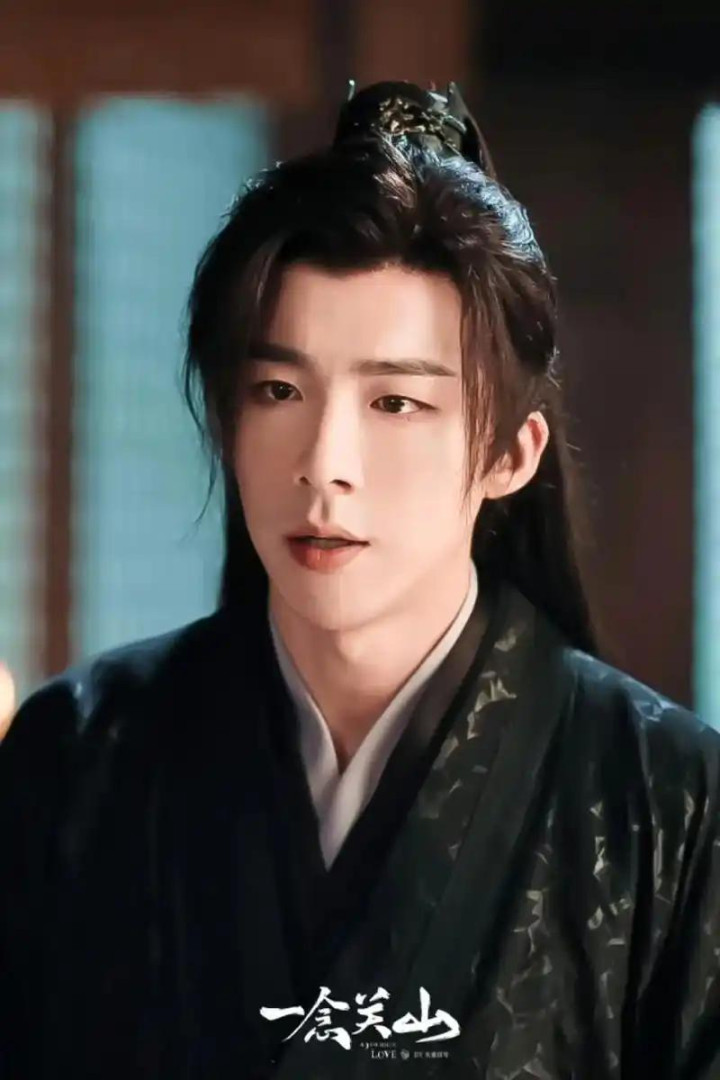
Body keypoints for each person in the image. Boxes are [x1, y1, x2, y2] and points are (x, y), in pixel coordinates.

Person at [0, 80, 718, 1080]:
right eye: (278, 390)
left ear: (509, 453)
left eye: (395, 403)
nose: (325, 462)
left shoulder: (670, 805)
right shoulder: (80, 755)